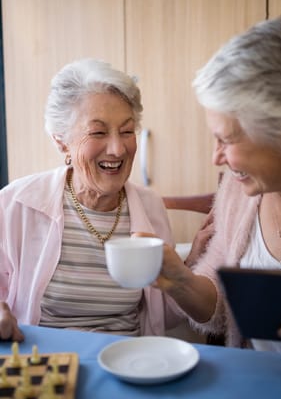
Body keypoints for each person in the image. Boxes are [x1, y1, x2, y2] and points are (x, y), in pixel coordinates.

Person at [143, 14, 281, 361]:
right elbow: (221, 308)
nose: (216, 158)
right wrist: (181, 281)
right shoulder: (239, 192)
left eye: (226, 140)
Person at [0, 58, 182, 341]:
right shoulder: (15, 203)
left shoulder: (150, 207)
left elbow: (167, 317)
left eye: (126, 131)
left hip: (129, 362)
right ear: (61, 141)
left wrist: (189, 267)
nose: (117, 149)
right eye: (98, 132)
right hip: (46, 362)